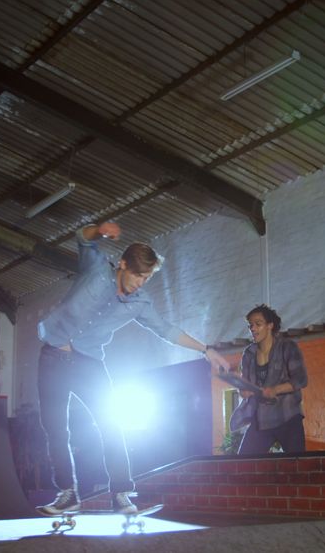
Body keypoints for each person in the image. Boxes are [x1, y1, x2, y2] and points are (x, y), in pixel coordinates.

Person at [36, 221, 229, 515]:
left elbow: (166, 329)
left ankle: (121, 495)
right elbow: (82, 238)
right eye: (138, 275)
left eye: (146, 277)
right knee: (55, 429)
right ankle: (67, 494)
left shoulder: (140, 302)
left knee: (111, 424)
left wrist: (205, 349)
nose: (140, 282)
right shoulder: (96, 269)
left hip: (89, 362)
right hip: (52, 356)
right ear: (123, 265)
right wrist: (99, 229)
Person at [234, 304, 309, 454]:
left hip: (287, 416)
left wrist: (275, 389)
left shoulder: (287, 347)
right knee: (243, 462)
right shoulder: (248, 354)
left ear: (270, 325)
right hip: (261, 418)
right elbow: (246, 383)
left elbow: (300, 380)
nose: (253, 329)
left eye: (258, 324)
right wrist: (243, 389)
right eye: (250, 325)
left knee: (297, 466)